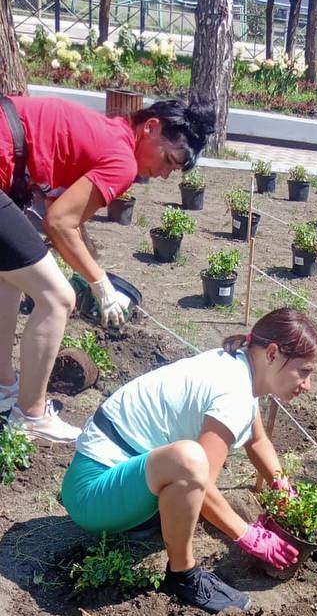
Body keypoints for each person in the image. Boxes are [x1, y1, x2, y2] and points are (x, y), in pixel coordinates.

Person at [61, 308, 317, 614]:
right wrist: (248, 535)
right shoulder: (234, 392)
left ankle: (145, 520)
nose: (308, 385)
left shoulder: (238, 367)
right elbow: (203, 485)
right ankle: (183, 575)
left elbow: (257, 440)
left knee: (190, 467)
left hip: (118, 475)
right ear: (272, 354)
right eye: (304, 371)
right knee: (190, 462)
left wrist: (284, 493)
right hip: (91, 496)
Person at [0, 95, 215, 443]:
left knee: (8, 277)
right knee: (58, 298)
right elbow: (58, 224)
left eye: (172, 171)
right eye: (168, 160)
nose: (162, 174)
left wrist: (88, 261)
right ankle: (31, 415)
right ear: (151, 127)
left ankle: (4, 386)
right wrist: (100, 284)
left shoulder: (111, 133)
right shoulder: (122, 161)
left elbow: (62, 211)